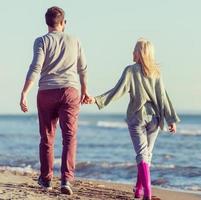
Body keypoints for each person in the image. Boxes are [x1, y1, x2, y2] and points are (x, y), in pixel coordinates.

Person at [86, 38, 180, 200]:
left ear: (141, 54)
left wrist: (97, 100)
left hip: (137, 117)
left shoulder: (131, 71)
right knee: (146, 154)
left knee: (142, 154)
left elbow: (117, 91)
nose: (132, 53)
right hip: (155, 118)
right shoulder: (156, 73)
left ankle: (147, 193)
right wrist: (171, 119)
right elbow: (163, 97)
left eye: (135, 50)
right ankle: (138, 190)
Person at [20, 6, 91, 195]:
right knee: (69, 137)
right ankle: (66, 180)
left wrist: (24, 92)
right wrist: (85, 90)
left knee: (47, 137)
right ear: (63, 23)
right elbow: (82, 68)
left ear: (47, 23)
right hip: (70, 91)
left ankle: (46, 179)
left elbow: (36, 67)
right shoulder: (74, 40)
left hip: (46, 92)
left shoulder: (41, 41)